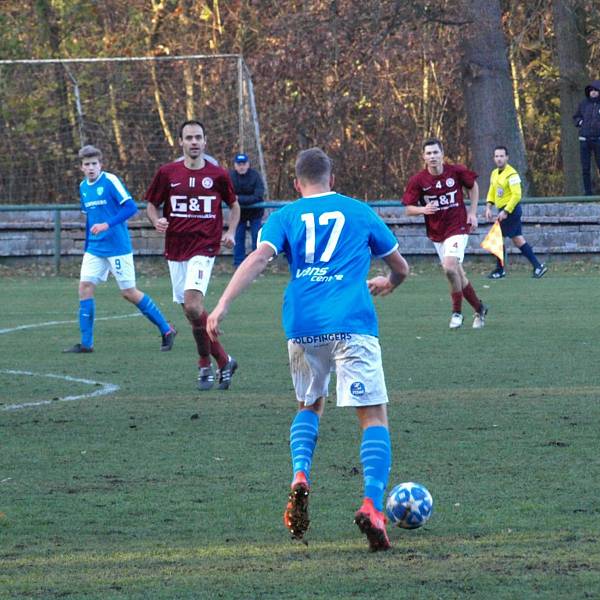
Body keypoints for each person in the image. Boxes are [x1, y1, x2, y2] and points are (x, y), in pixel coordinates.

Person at [206, 148, 409, 552]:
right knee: (372, 415)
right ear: (331, 179)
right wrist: (390, 282)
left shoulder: (284, 215)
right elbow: (400, 266)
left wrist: (223, 304)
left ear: (296, 184)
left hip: (302, 324)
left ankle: (300, 475)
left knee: (309, 404)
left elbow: (259, 258)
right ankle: (372, 505)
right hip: (351, 322)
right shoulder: (358, 211)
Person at [145, 120, 241, 391]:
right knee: (191, 314)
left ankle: (203, 363)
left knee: (193, 306)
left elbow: (234, 206)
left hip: (204, 247)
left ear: (205, 141)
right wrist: (156, 220)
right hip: (175, 249)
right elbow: (151, 204)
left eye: (198, 137)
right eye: (189, 138)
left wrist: (231, 231)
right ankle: (223, 360)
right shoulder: (167, 173)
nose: (194, 142)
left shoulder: (218, 175)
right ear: (181, 142)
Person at [63, 145, 175, 354]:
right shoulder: (83, 187)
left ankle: (166, 329)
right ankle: (86, 344)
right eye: (87, 164)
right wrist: (88, 245)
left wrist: (107, 224)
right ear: (81, 167)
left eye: (94, 164)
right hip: (95, 249)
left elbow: (131, 207)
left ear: (101, 164)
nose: (91, 168)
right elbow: (90, 220)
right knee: (84, 286)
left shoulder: (110, 181)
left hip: (117, 247)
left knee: (128, 292)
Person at [402, 138, 488, 329]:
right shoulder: (418, 180)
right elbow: (408, 208)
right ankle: (480, 308)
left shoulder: (455, 171)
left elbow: (473, 186)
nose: (432, 157)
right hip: (437, 232)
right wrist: (423, 210)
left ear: (442, 154)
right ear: (423, 157)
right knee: (457, 273)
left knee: (449, 266)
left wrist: (472, 213)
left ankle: (456, 313)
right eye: (429, 153)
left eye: (435, 152)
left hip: (458, 226)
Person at [483, 146, 547, 279]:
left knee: (496, 239)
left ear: (507, 157)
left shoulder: (512, 174)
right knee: (518, 240)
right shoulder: (494, 173)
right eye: (497, 156)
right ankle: (538, 266)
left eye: (502, 156)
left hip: (511, 210)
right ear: (494, 158)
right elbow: (492, 191)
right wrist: (488, 207)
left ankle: (500, 270)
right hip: (503, 210)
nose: (499, 159)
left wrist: (506, 211)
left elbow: (517, 195)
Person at [572, 80, 600, 196]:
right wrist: (581, 123)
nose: (593, 93)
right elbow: (575, 117)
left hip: (599, 140)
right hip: (584, 139)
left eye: (595, 90)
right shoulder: (583, 104)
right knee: (585, 169)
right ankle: (588, 194)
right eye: (591, 90)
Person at [229, 153, 265, 267]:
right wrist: (242, 200)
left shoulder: (255, 176)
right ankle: (238, 266)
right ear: (235, 165)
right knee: (238, 240)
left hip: (255, 213)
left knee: (257, 239)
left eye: (244, 164)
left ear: (248, 164)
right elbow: (229, 195)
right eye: (239, 164)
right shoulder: (230, 177)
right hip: (239, 214)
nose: (241, 167)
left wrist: (239, 199)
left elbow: (258, 195)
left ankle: (256, 265)